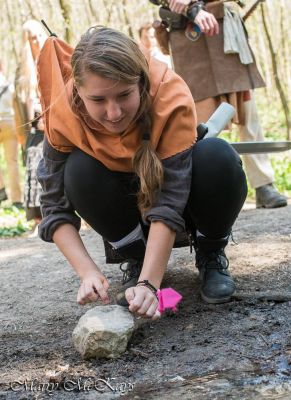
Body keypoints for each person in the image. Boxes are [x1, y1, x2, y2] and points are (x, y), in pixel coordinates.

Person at [37, 26, 247, 319]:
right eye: (98, 100)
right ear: (79, 92)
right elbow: (53, 206)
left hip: (182, 207)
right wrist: (88, 273)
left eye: (124, 95)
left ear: (141, 83)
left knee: (217, 156)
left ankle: (210, 252)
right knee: (78, 170)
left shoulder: (169, 93)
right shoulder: (62, 110)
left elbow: (170, 201)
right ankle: (136, 259)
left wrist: (151, 284)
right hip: (125, 211)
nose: (114, 113)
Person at [150, 0, 287, 209]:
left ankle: (263, 185)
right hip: (188, 40)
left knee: (247, 112)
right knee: (198, 123)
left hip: (223, 30)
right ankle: (201, 190)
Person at [14, 20, 47, 223]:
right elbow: (23, 108)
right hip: (36, 129)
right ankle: (39, 219)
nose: (37, 41)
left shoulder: (53, 60)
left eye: (39, 35)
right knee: (36, 167)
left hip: (56, 124)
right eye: (32, 38)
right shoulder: (23, 74)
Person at [0, 62, 22, 207]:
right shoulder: (9, 84)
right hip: (9, 124)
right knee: (12, 162)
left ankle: (1, 191)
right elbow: (16, 107)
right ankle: (16, 199)